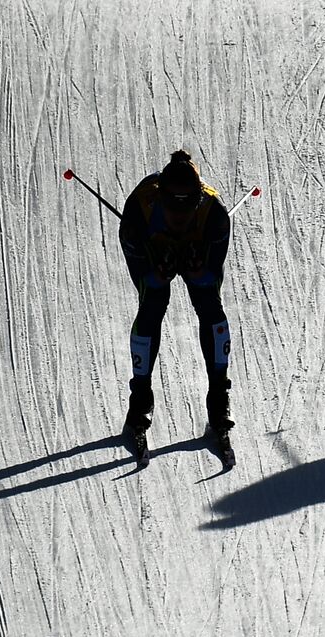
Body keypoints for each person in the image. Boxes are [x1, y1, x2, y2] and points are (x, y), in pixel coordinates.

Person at [118, 149, 234, 441]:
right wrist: (156, 275)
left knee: (210, 306)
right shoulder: (136, 214)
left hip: (196, 246)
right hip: (151, 249)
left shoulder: (215, 215)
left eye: (187, 212)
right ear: (160, 201)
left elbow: (211, 275)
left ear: (198, 202)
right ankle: (140, 402)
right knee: (153, 303)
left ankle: (219, 400)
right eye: (173, 212)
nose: (179, 219)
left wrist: (198, 273)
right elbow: (145, 278)